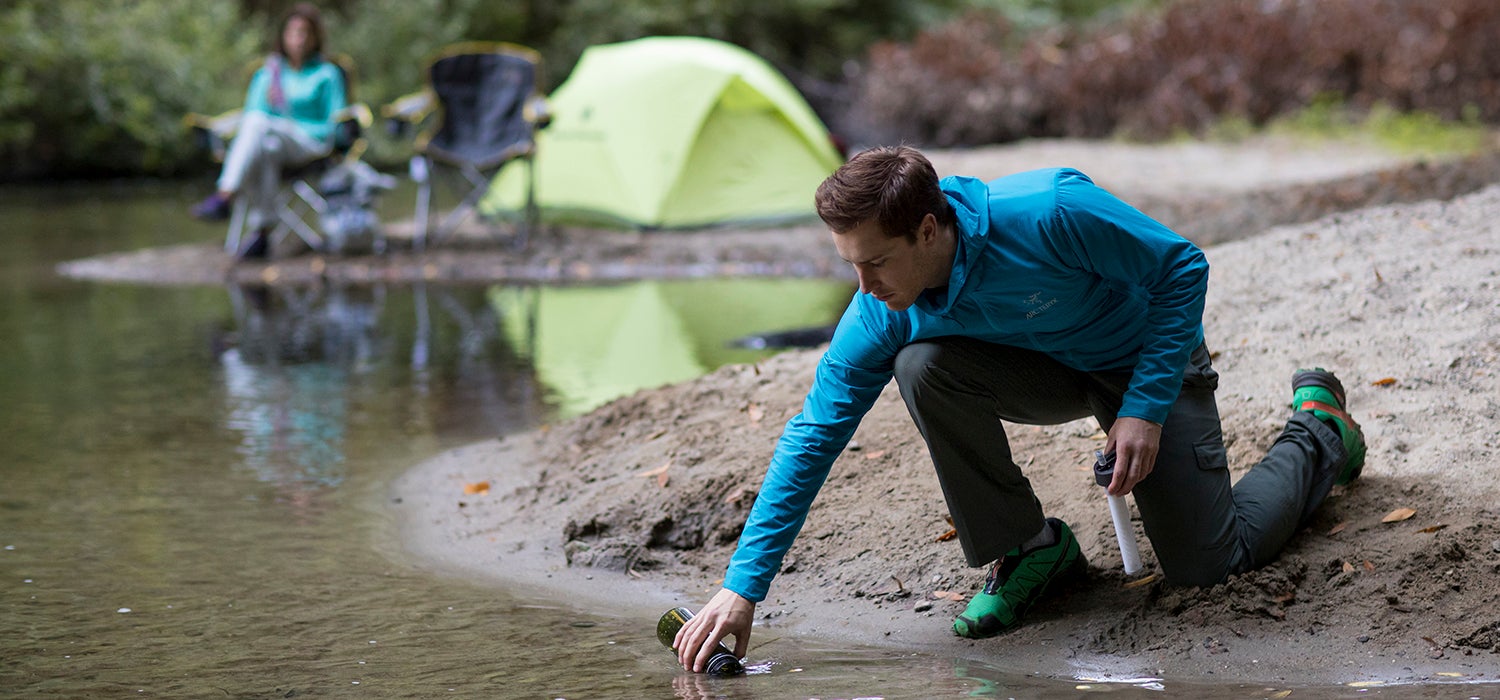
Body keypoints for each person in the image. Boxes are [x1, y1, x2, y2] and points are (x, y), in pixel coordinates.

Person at [674, 145, 1366, 671]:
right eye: (850, 265)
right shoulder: (880, 310)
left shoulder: (1051, 211)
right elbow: (812, 436)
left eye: (874, 262)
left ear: (925, 230)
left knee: (1211, 565)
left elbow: (1182, 269)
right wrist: (743, 589)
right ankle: (1032, 550)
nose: (863, 285)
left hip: (1145, 359)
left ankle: (1317, 429)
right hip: (1048, 373)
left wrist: (1146, 408)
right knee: (923, 365)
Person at [191, 3, 347, 260]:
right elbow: (251, 118)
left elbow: (335, 125)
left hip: (312, 144)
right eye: (293, 32)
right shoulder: (268, 74)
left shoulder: (327, 74)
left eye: (305, 33)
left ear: (316, 37)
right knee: (266, 144)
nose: (299, 39)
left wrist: (288, 124)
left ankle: (225, 195)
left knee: (259, 126)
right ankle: (262, 232)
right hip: (272, 143)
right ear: (283, 36)